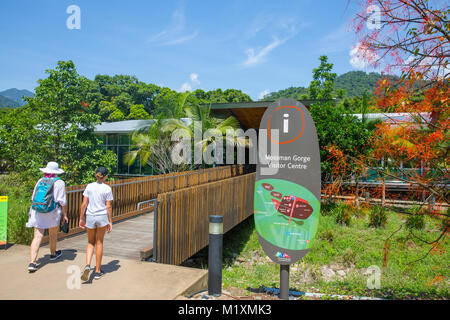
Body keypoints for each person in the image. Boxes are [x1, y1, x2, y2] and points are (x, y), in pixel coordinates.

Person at [26, 161, 68, 272]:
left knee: (37, 236)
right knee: (52, 234)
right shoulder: (59, 182)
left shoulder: (40, 180)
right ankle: (53, 254)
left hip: (38, 211)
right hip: (52, 212)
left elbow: (33, 197)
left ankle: (32, 262)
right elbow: (62, 201)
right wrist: (65, 215)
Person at [79, 166, 113, 281]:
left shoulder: (89, 186)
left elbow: (84, 204)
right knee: (99, 242)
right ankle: (97, 271)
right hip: (102, 217)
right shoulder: (107, 188)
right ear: (105, 176)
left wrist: (81, 218)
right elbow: (108, 206)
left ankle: (88, 265)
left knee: (90, 242)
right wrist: (110, 221)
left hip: (90, 216)